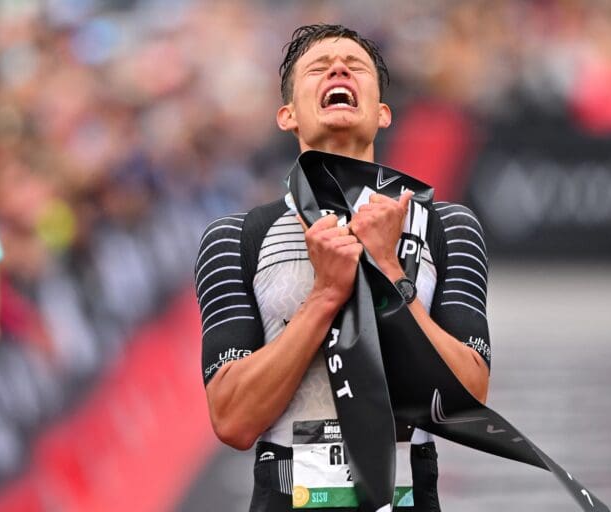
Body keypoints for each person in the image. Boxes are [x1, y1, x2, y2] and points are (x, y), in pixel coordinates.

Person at [195, 24, 491, 512]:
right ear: (287, 115)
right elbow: (232, 420)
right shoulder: (236, 237)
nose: (338, 69)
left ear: (383, 113)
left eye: (356, 67)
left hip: (407, 495)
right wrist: (324, 296)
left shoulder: (447, 226)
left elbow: (466, 401)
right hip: (286, 494)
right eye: (318, 67)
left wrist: (390, 270)